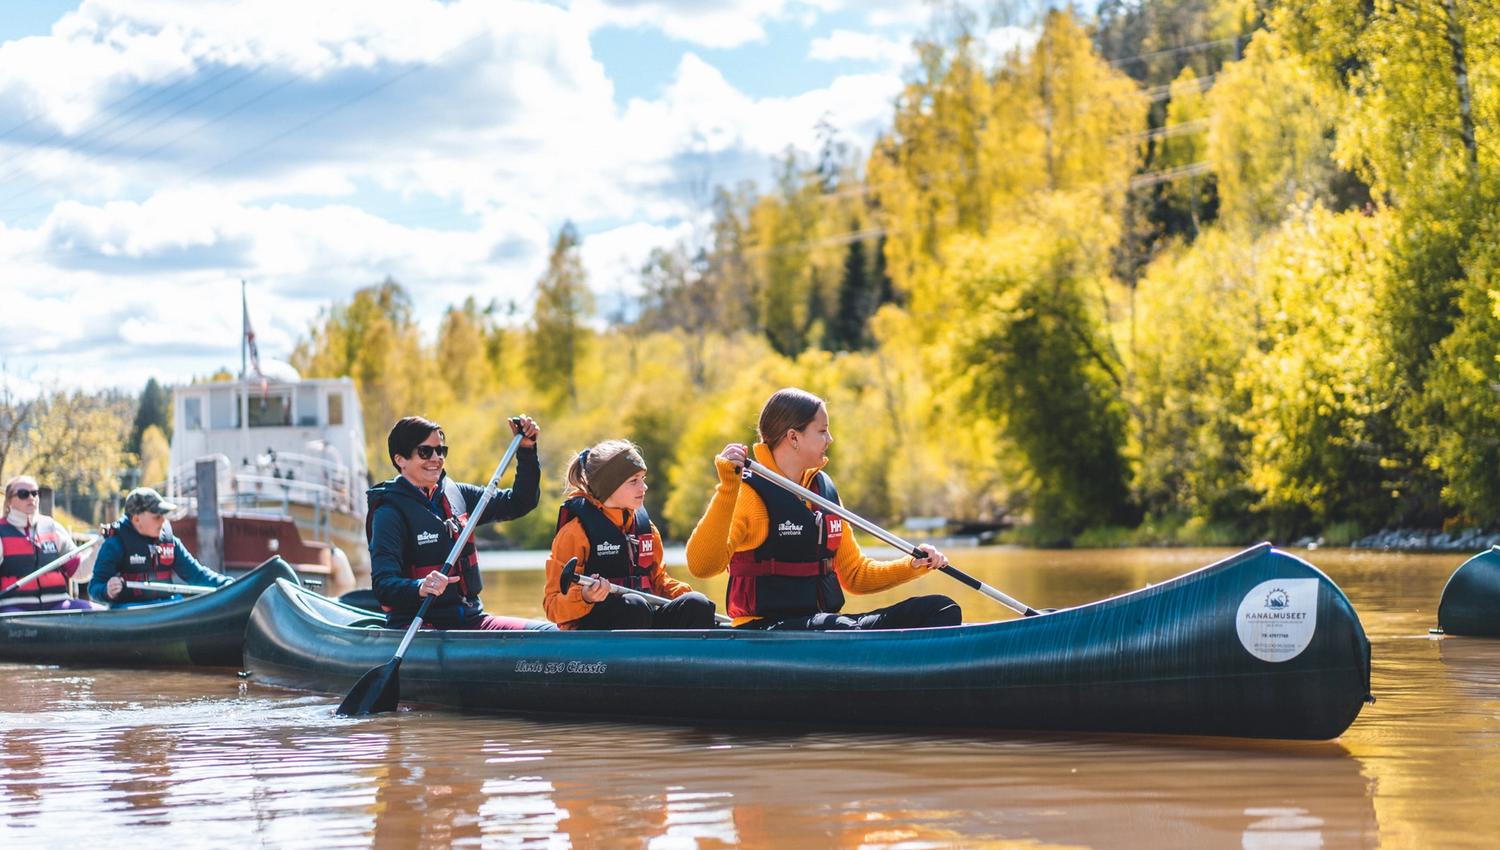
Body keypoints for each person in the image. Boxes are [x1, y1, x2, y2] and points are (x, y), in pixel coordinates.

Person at [685, 387, 962, 630]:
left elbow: (855, 575)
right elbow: (701, 566)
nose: (829, 439)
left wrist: (914, 565)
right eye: (822, 431)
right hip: (767, 631)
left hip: (821, 624)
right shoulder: (747, 494)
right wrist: (727, 488)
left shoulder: (822, 491)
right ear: (793, 437)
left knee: (940, 609)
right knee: (840, 627)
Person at [367, 414, 553, 631]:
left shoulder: (458, 494)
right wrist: (420, 586)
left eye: (441, 451)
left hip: (472, 619)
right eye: (426, 451)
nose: (436, 458)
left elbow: (521, 502)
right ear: (400, 460)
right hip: (418, 626)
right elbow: (383, 586)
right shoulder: (389, 512)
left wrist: (526, 450)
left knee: (548, 632)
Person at [544, 439, 716, 630]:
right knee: (634, 606)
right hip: (599, 624)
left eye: (643, 478)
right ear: (608, 486)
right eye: (633, 481)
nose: (643, 487)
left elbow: (658, 581)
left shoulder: (646, 528)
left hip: (642, 615)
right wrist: (585, 596)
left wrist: (683, 596)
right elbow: (552, 606)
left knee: (697, 604)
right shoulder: (575, 533)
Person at [88, 487, 233, 607]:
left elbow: (197, 575)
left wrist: (228, 585)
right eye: (157, 516)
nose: (163, 521)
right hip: (130, 610)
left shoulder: (170, 543)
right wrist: (107, 590)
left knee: (181, 603)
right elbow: (94, 588)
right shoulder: (115, 545)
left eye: (163, 516)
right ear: (137, 519)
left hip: (165, 606)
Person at [0, 476, 95, 613]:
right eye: (23, 494)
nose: (31, 498)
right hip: (13, 609)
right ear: (9, 501)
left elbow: (79, 572)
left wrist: (97, 550)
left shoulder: (53, 528)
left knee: (98, 612)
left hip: (58, 604)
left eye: (35, 493)